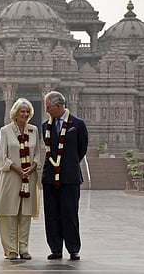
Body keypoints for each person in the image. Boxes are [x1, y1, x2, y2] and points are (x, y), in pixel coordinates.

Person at [41, 91, 88, 261]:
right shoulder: (45, 125)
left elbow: (81, 149)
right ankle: (55, 248)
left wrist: (68, 163)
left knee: (70, 213)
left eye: (48, 107)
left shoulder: (78, 124)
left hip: (70, 177)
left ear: (59, 106)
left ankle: (73, 248)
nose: (47, 111)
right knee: (52, 214)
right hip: (50, 177)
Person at [0, 98, 41, 261]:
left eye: (28, 111)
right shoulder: (6, 131)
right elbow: (2, 156)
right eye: (22, 111)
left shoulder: (33, 130)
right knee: (9, 212)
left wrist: (33, 167)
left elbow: (37, 154)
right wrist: (17, 168)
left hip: (29, 177)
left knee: (26, 213)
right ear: (15, 113)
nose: (25, 114)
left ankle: (24, 248)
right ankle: (11, 249)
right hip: (11, 176)